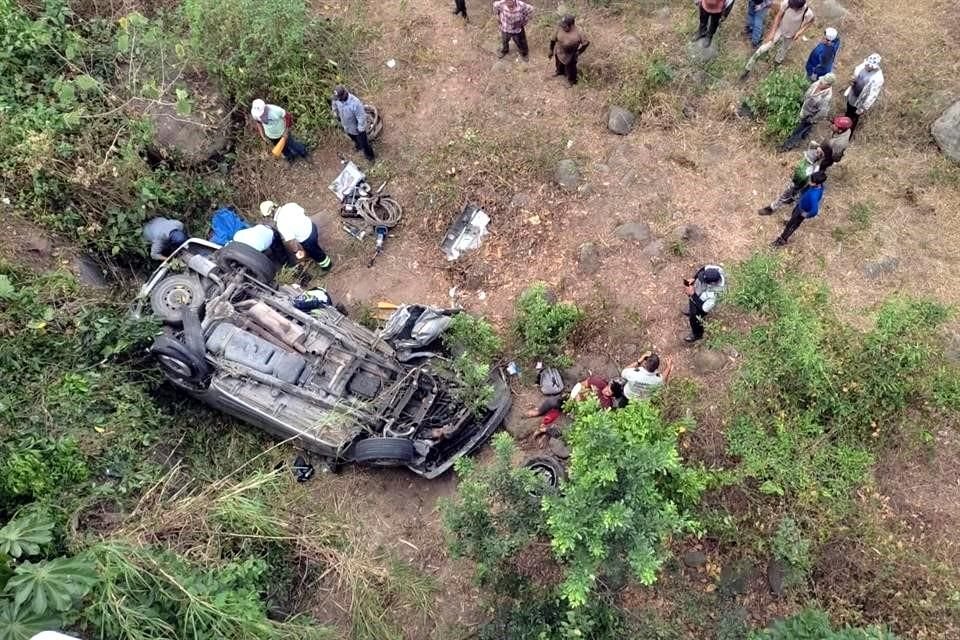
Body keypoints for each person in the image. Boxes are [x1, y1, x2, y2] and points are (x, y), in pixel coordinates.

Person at [740, 0, 815, 79]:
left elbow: (811, 21)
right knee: (763, 48)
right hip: (780, 29)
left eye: (793, 8)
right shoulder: (787, 3)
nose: (792, 8)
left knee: (783, 50)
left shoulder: (807, 12)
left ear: (799, 8)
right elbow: (778, 16)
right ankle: (747, 68)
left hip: (791, 35)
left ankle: (775, 65)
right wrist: (772, 33)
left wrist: (799, 32)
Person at [259, 201, 332, 270]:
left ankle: (327, 265)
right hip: (312, 226)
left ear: (270, 215)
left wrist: (296, 251)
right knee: (314, 245)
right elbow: (302, 211)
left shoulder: (281, 224)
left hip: (307, 239)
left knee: (317, 253)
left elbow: (291, 241)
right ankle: (314, 250)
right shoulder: (289, 205)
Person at [757, 142, 823, 215]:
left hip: (800, 186)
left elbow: (805, 179)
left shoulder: (813, 168)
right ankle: (773, 207)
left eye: (818, 152)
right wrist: (818, 147)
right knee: (786, 196)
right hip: (796, 183)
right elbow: (811, 144)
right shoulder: (810, 158)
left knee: (794, 200)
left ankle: (785, 215)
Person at [780, 73, 835, 151]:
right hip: (804, 109)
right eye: (821, 81)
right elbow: (809, 91)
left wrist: (812, 120)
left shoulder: (826, 97)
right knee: (800, 129)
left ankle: (786, 147)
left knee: (798, 132)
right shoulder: (817, 83)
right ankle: (804, 135)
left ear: (828, 85)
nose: (820, 83)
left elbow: (822, 113)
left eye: (823, 83)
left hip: (809, 116)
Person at [772, 171, 827, 246]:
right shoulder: (817, 186)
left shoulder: (814, 196)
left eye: (811, 181)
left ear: (817, 184)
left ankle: (782, 239)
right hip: (800, 205)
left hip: (802, 211)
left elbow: (814, 211)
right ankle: (789, 222)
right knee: (793, 215)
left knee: (792, 226)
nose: (809, 181)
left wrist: (806, 214)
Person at [682, 265, 726, 343]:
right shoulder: (716, 270)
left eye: (703, 279)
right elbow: (703, 268)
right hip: (700, 293)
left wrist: (693, 294)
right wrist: (694, 278)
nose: (700, 278)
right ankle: (691, 308)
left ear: (712, 283)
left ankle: (697, 334)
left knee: (695, 317)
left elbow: (703, 309)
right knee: (692, 306)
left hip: (703, 304)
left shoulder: (715, 295)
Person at [331, 86, 375, 163]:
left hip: (357, 129)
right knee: (353, 138)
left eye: (338, 98)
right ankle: (358, 146)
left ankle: (370, 156)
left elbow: (361, 117)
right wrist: (335, 113)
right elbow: (334, 105)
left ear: (343, 97)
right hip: (347, 126)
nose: (336, 100)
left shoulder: (355, 103)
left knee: (364, 144)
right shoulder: (337, 99)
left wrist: (360, 129)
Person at [844, 53, 884, 132]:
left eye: (870, 66)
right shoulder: (862, 66)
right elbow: (855, 74)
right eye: (867, 65)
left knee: (853, 119)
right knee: (848, 113)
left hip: (860, 102)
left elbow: (873, 95)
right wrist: (852, 80)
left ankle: (847, 134)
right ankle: (842, 127)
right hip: (853, 95)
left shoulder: (878, 78)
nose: (868, 67)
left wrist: (863, 108)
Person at [549, 15, 589, 86]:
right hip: (559, 50)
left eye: (565, 26)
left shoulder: (579, 32)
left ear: (572, 25)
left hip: (571, 53)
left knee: (571, 68)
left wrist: (579, 52)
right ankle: (559, 71)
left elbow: (586, 43)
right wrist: (551, 50)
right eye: (562, 26)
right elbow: (552, 40)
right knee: (558, 62)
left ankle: (571, 81)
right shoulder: (559, 29)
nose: (563, 28)